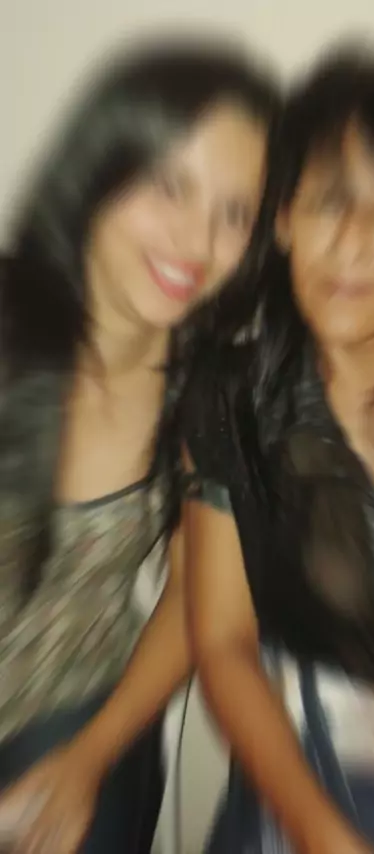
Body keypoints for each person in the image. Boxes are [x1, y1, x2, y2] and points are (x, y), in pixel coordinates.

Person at [179, 44, 374, 854]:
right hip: (306, 765)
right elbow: (223, 642)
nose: (351, 244)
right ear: (283, 218)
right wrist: (317, 829)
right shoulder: (231, 399)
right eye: (328, 203)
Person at [0, 35, 280, 854]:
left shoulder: (209, 388)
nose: (197, 241)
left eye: (235, 214)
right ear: (100, 168)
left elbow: (196, 595)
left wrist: (90, 757)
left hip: (81, 714)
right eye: (169, 186)